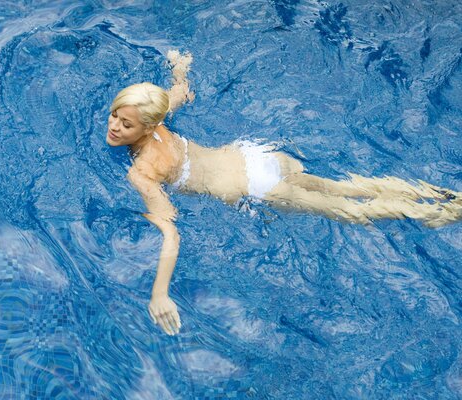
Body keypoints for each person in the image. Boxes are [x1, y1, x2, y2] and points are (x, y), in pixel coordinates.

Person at [106, 50, 462, 336]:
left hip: (256, 187)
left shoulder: (142, 172)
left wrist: (159, 293)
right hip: (257, 156)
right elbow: (181, 92)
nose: (115, 126)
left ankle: (440, 213)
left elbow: (169, 229)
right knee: (348, 187)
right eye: (114, 117)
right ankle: (435, 192)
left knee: (352, 212)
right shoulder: (158, 114)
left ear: (148, 125)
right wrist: (179, 64)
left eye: (125, 123)